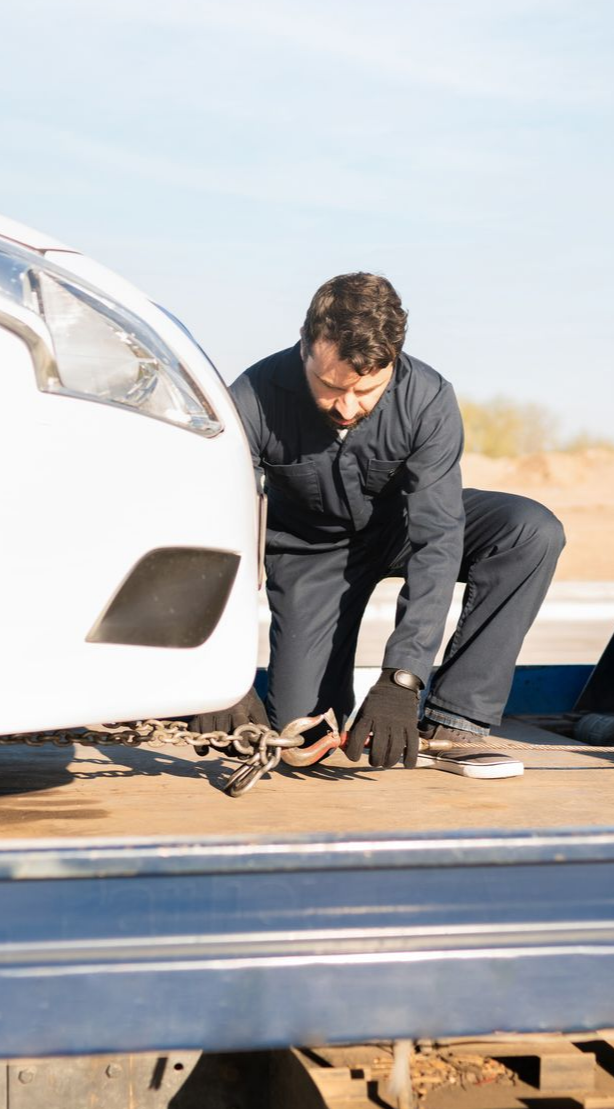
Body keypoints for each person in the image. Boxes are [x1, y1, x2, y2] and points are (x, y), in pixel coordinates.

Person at [197, 272, 565, 769]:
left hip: (401, 531)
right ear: (306, 346)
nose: (347, 407)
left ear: (393, 361)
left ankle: (454, 719)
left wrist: (401, 680)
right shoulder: (249, 400)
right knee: (303, 734)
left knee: (529, 529)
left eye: (367, 390)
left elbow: (437, 539)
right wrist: (221, 674)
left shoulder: (428, 398)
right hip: (310, 553)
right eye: (330, 387)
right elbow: (220, 536)